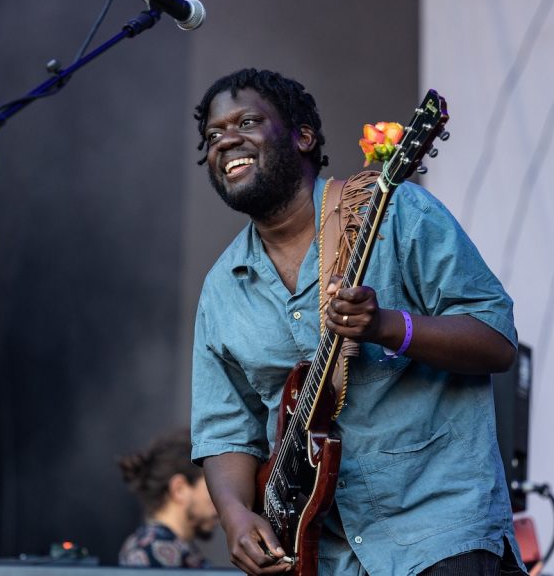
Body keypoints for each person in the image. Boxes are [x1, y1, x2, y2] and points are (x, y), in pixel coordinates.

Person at [189, 68, 526, 575]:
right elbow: (225, 432)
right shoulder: (221, 290)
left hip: (439, 535)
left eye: (248, 121)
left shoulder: (395, 211)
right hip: (321, 556)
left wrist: (388, 327)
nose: (226, 140)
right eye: (213, 135)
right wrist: (236, 515)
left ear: (303, 136)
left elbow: (496, 340)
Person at [117, 428, 220, 568]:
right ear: (179, 489)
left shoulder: (172, 549)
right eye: (212, 486)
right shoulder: (151, 553)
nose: (220, 499)